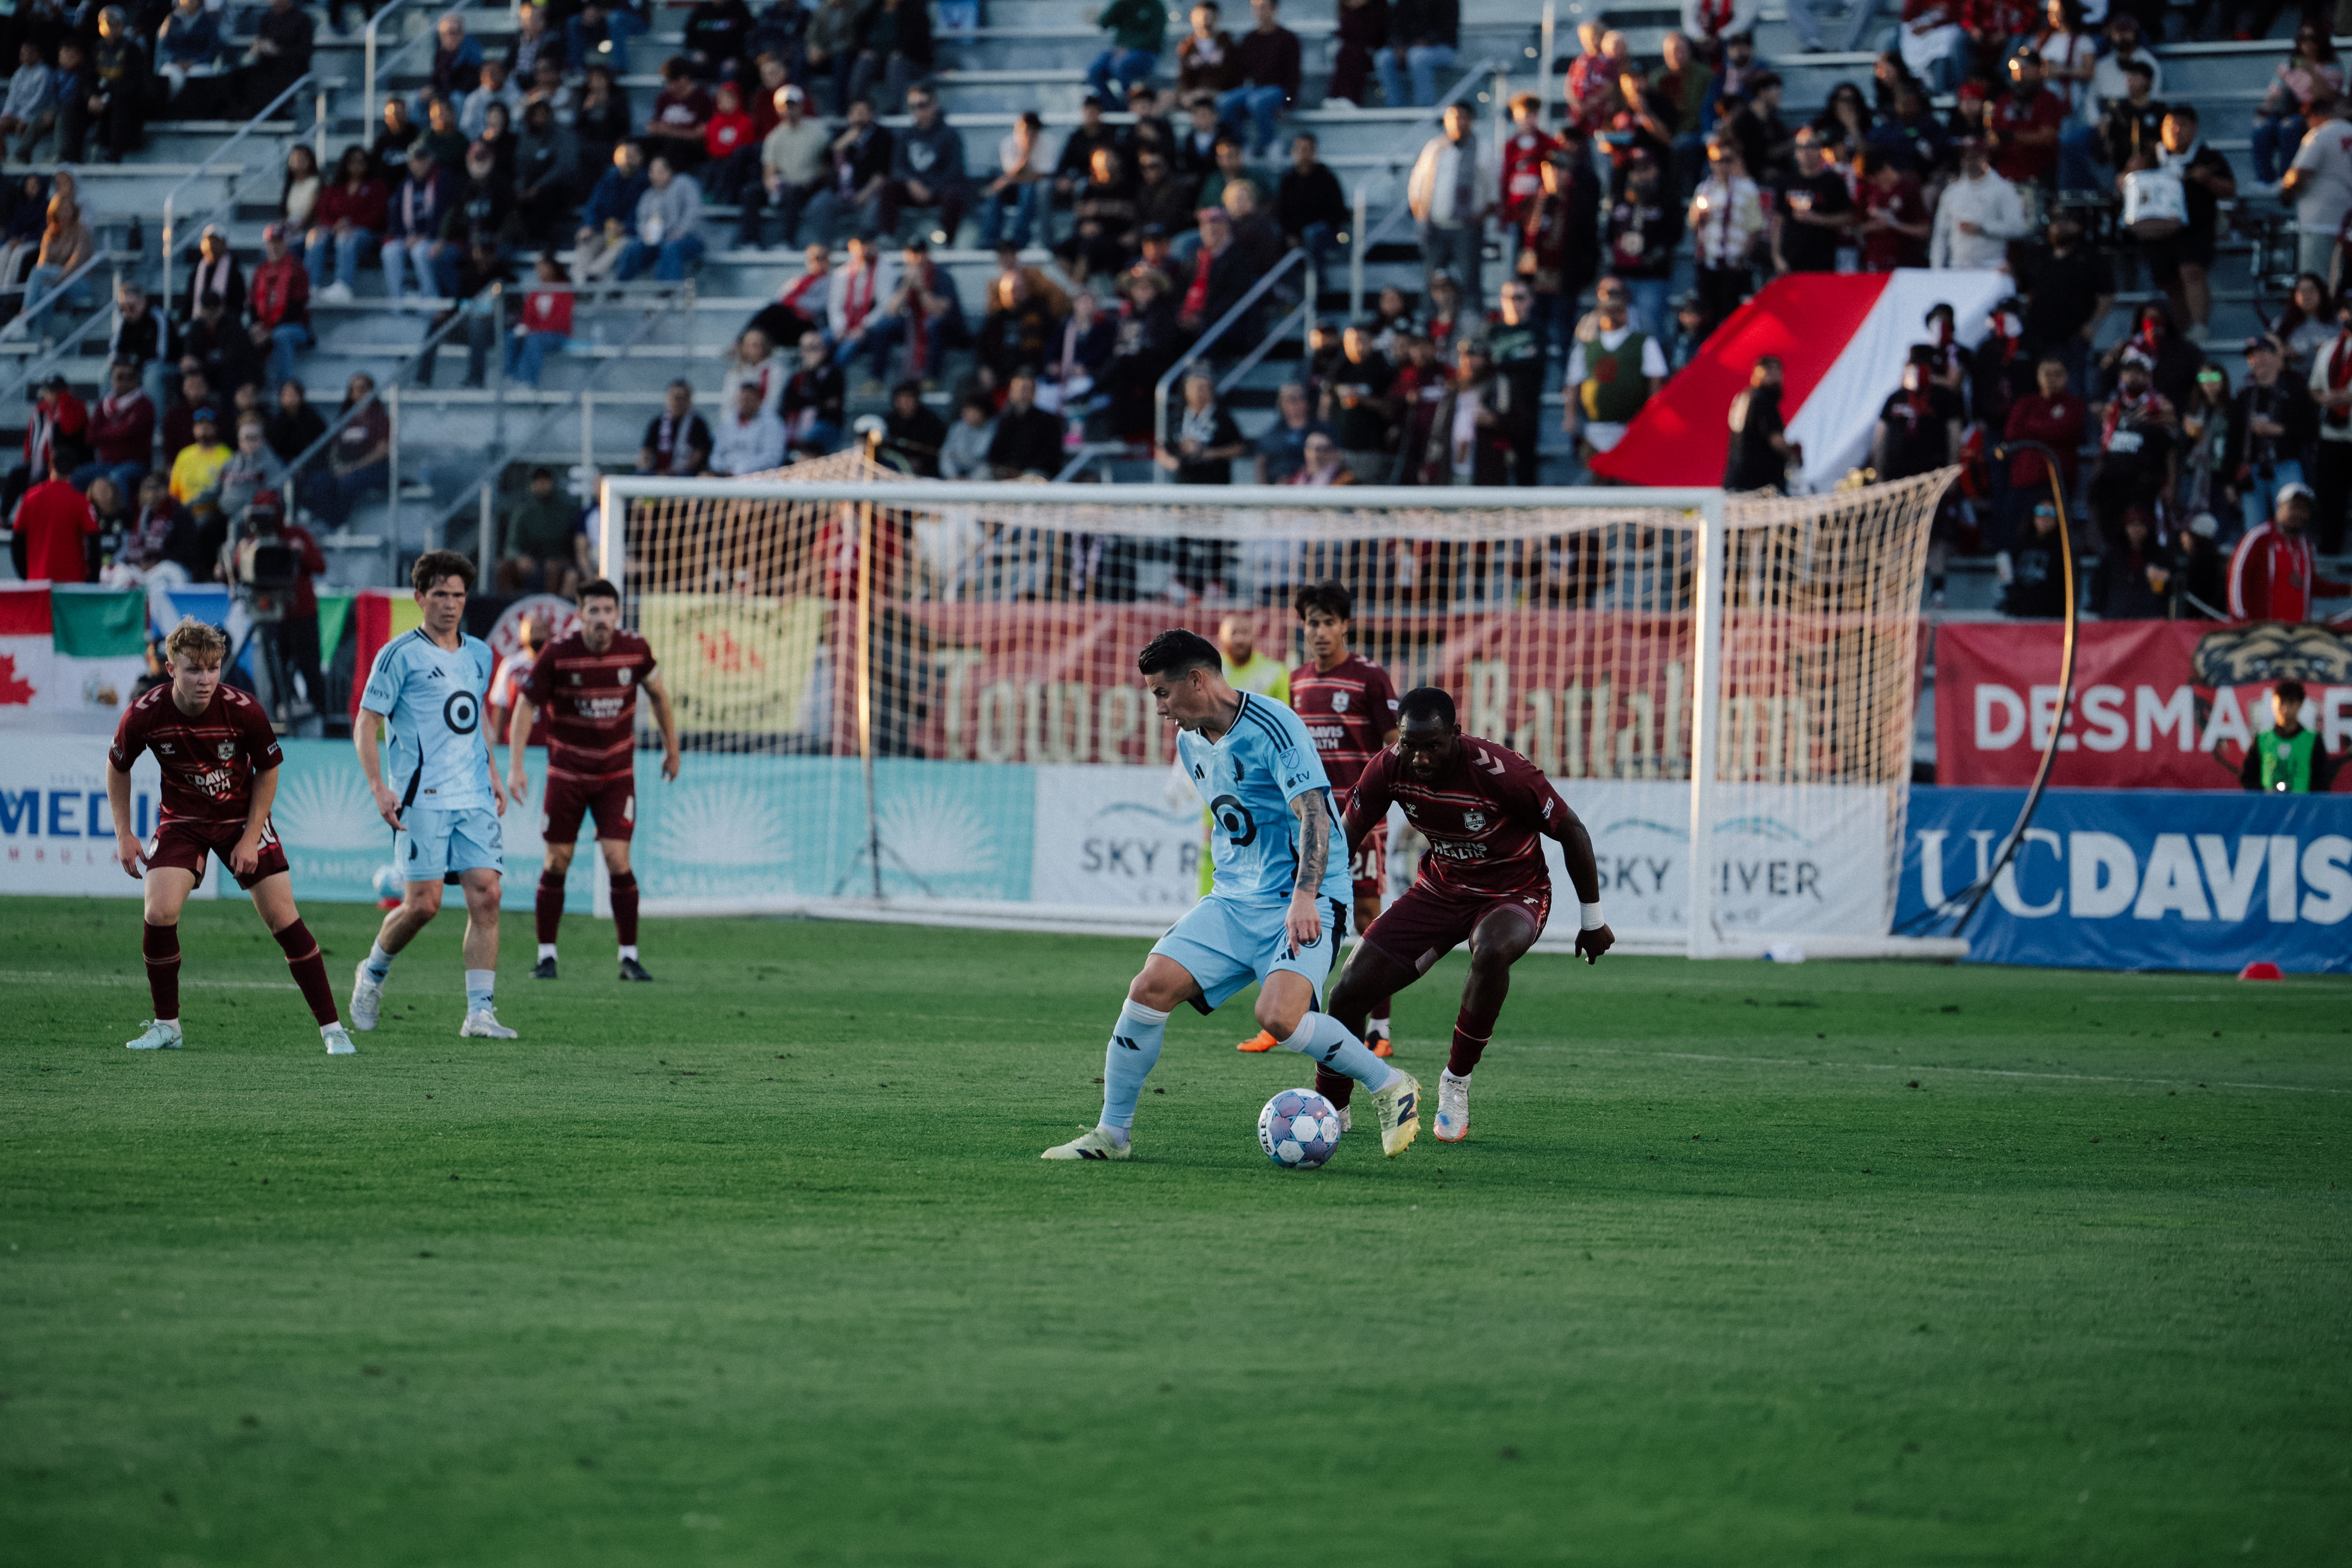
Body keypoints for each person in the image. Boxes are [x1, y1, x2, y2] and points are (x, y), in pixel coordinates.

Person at [1041, 629, 1422, 1163]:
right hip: (1233, 900)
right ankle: (1112, 1135)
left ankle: (1390, 1085)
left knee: (1279, 1019)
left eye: (1161, 694)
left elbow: (1314, 811)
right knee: (1149, 988)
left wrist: (1305, 896)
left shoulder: (1274, 723)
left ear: (1196, 680)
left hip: (1304, 897)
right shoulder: (1189, 739)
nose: (1159, 709)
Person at [1313, 685, 1612, 1144]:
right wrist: (1309, 900)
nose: (1421, 758)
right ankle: (1332, 1107)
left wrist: (1592, 921)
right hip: (1440, 890)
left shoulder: (1504, 773)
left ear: (1456, 734)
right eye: (1411, 744)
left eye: (1433, 746)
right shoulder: (1390, 766)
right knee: (1348, 993)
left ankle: (1455, 1083)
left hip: (1515, 891)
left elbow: (1572, 831)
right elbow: (1344, 839)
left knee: (1490, 950)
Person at [105, 620, 353, 1056]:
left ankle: (333, 1030)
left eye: (213, 668)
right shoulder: (146, 712)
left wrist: (250, 836)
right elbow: (118, 765)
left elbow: (269, 768)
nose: (205, 680)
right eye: (194, 670)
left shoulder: (244, 709)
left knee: (283, 919)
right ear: (171, 669)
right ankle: (168, 1025)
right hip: (182, 821)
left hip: (241, 819)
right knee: (159, 911)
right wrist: (124, 833)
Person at [351, 551, 516, 1041]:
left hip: (474, 797)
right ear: (420, 598)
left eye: (459, 595)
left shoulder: (480, 655)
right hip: (421, 798)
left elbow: (473, 720)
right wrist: (380, 787)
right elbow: (366, 723)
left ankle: (480, 1013)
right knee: (423, 905)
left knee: (488, 894)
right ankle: (372, 973)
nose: (450, 604)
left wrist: (493, 771)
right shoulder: (399, 655)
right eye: (440, 594)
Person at [503, 577, 680, 982]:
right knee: (557, 861)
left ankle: (630, 957)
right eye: (593, 611)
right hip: (567, 774)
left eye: (608, 611)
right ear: (580, 615)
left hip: (615, 775)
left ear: (618, 614)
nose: (602, 619)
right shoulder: (558, 654)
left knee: (618, 859)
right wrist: (516, 766)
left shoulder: (635, 649)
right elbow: (526, 705)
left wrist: (673, 748)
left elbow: (658, 695)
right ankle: (547, 955)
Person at [1562, 278, 1665, 465]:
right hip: (1594, 427)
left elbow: (1655, 381)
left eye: (1617, 310)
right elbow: (1574, 381)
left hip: (1632, 427)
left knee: (1630, 479)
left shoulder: (1643, 339)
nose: (1612, 315)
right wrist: (1570, 416)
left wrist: (1653, 417)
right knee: (1596, 479)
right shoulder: (1587, 343)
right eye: (1608, 311)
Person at [1407, 102, 1493, 307]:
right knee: (1433, 281)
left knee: (1469, 281)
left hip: (1467, 229)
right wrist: (1422, 216)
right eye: (1451, 117)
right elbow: (1417, 184)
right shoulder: (1435, 147)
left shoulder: (1484, 149)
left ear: (1471, 121)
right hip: (1436, 227)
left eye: (1461, 117)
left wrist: (1479, 217)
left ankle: (1472, 328)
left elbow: (1493, 189)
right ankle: (1432, 329)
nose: (1456, 123)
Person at [2229, 334, 2315, 537]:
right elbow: (2233, 440)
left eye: (2262, 354)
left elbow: (2312, 431)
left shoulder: (2296, 392)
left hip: (2286, 464)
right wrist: (2229, 480)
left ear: (2277, 358)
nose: (2257, 360)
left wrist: (2281, 430)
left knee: (2291, 524)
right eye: (2252, 357)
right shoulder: (2245, 396)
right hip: (2252, 468)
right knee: (2254, 530)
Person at [2229, 483, 2347, 623]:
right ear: (2280, 506)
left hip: (2299, 633)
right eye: (2295, 507)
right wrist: (2241, 622)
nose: (2300, 514)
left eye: (2305, 509)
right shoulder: (2259, 538)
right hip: (2263, 634)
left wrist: (2347, 590)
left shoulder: (2305, 545)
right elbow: (2237, 578)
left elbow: (2310, 585)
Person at [743, 84, 828, 248]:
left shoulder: (819, 131)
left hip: (811, 185)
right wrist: (772, 187)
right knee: (751, 192)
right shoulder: (774, 138)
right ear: (778, 109)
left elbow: (828, 163)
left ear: (801, 106)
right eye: (784, 107)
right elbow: (769, 172)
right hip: (786, 187)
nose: (789, 111)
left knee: (793, 192)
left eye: (793, 106)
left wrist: (813, 179)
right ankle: (751, 243)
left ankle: (787, 243)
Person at [882, 85, 969, 245]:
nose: (917, 111)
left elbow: (955, 169)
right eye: (913, 107)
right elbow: (897, 167)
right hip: (913, 189)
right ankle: (888, 238)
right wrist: (912, 183)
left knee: (955, 195)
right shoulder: (905, 136)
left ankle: (948, 242)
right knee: (889, 188)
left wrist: (932, 188)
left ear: (934, 105)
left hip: (939, 189)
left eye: (922, 105)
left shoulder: (950, 135)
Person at [2280, 95, 2352, 285]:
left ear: (2315, 115)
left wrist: (2286, 193)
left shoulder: (2320, 135)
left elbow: (2300, 173)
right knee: (2344, 285)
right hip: (2347, 218)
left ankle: (2322, 316)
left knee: (2318, 283)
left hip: (2320, 219)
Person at [1221, 0, 1300, 159]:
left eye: (1263, 8)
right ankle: (1242, 145)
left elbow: (1294, 76)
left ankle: (1270, 143)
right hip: (1255, 89)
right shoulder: (1250, 39)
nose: (1259, 12)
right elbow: (1241, 74)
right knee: (1224, 102)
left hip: (1279, 90)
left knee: (1257, 102)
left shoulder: (1288, 39)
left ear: (1274, 10)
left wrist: (1288, 101)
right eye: (1256, 8)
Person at [1771, 126, 1853, 275]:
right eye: (1801, 148)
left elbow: (1849, 218)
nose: (1806, 152)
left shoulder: (1833, 182)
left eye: (1811, 147)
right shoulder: (1786, 181)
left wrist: (1816, 219)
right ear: (1796, 153)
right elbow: (1778, 221)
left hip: (1822, 261)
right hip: (1791, 261)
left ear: (1820, 151)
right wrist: (1777, 257)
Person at [312, 372, 389, 528]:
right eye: (353, 389)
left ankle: (339, 524)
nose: (358, 393)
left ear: (372, 390)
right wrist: (336, 466)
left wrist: (353, 467)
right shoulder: (346, 417)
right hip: (346, 466)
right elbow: (334, 447)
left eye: (362, 388)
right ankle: (328, 523)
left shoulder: (380, 417)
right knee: (318, 481)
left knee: (348, 483)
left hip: (373, 467)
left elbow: (383, 451)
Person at [381, 144, 455, 306]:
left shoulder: (441, 181)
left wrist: (425, 236)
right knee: (390, 252)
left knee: (420, 252)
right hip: (409, 236)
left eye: (424, 159)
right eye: (416, 159)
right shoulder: (405, 186)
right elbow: (395, 217)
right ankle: (397, 302)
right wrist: (404, 236)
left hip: (433, 237)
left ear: (430, 160)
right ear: (410, 163)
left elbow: (444, 214)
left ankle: (429, 300)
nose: (420, 163)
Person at [614, 153, 704, 283]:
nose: (654, 176)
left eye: (659, 172)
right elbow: (642, 221)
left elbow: (693, 211)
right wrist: (646, 234)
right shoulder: (648, 195)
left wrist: (681, 231)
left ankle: (668, 290)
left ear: (669, 172)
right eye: (652, 172)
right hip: (659, 240)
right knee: (633, 246)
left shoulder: (685, 184)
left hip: (690, 238)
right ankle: (620, 286)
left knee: (671, 247)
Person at [16, 439, 97, 582]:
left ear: (50, 466)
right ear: (75, 469)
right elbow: (94, 540)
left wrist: (25, 574)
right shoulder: (81, 501)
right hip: (72, 584)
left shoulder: (31, 497)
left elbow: (18, 540)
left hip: (38, 581)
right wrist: (92, 578)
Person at [2241, 680, 2340, 794]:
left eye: (2291, 703)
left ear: (2300, 705)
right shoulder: (2262, 740)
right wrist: (2262, 798)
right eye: (2282, 702)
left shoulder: (2312, 741)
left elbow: (2322, 780)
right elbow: (2248, 777)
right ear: (2273, 703)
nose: (2285, 709)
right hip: (2268, 809)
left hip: (2302, 808)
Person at [497, 465, 580, 594]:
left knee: (553, 569)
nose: (542, 485)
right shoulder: (523, 513)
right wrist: (520, 558)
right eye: (537, 481)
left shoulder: (568, 512)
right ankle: (508, 607)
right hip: (531, 565)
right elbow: (510, 547)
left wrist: (563, 560)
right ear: (531, 485)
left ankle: (551, 608)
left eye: (546, 481)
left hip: (559, 565)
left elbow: (576, 545)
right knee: (505, 568)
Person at [1723, 356, 1796, 491]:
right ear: (1757, 373)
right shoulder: (1762, 399)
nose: (1775, 377)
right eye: (1769, 371)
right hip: (1758, 485)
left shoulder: (1744, 397)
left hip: (1737, 480)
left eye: (1777, 372)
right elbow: (1776, 440)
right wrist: (1793, 456)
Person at [1377, 0, 1459, 109]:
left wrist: (1425, 42)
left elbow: (1448, 29)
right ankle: (1395, 109)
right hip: (1410, 48)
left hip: (1443, 48)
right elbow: (1396, 26)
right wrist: (1399, 46)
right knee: (1383, 58)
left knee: (1418, 58)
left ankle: (1424, 109)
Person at [1997, 501, 2069, 617]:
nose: (2046, 518)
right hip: (2019, 614)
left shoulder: (2065, 550)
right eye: (2040, 512)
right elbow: (2007, 579)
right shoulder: (2019, 545)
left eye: (2051, 513)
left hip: (2050, 617)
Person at [1088, 0, 1167, 105]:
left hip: (1145, 53)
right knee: (1095, 70)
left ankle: (1131, 106)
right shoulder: (1123, 4)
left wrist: (1129, 47)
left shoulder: (1155, 5)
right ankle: (1113, 107)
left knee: (1122, 67)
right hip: (1120, 52)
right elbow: (1104, 23)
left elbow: (1156, 38)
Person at [781, 328, 846, 452]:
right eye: (809, 348)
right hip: (799, 423)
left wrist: (811, 372)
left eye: (817, 347)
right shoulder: (797, 377)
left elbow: (833, 406)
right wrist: (818, 402)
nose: (814, 352)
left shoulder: (834, 374)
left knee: (810, 436)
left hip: (825, 426)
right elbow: (791, 403)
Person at [710, 379, 789, 474]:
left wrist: (739, 470)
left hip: (757, 478)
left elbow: (772, 458)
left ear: (759, 400)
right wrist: (720, 467)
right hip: (724, 475)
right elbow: (717, 453)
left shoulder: (773, 423)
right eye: (742, 399)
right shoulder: (728, 421)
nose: (744, 403)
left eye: (748, 400)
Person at [638, 379, 711, 475]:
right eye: (674, 398)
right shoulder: (658, 423)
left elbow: (697, 457)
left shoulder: (698, 425)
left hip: (684, 472)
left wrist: (672, 472)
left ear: (688, 400)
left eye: (681, 398)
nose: (677, 402)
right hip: (659, 471)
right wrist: (646, 466)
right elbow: (647, 452)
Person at [939, 393, 996, 479]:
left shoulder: (994, 430)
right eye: (966, 411)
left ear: (983, 411)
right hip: (954, 479)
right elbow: (946, 456)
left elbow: (984, 458)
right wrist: (953, 476)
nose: (968, 415)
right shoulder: (957, 428)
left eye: (972, 411)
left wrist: (969, 480)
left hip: (980, 478)